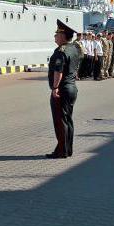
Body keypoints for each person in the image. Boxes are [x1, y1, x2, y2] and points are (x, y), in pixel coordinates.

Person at [46, 19, 81, 160]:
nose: (55, 37)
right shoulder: (74, 48)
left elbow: (58, 71)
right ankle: (68, 149)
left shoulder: (61, 51)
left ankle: (61, 150)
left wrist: (55, 88)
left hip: (62, 89)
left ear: (62, 36)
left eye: (57, 34)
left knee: (60, 120)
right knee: (68, 120)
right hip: (72, 88)